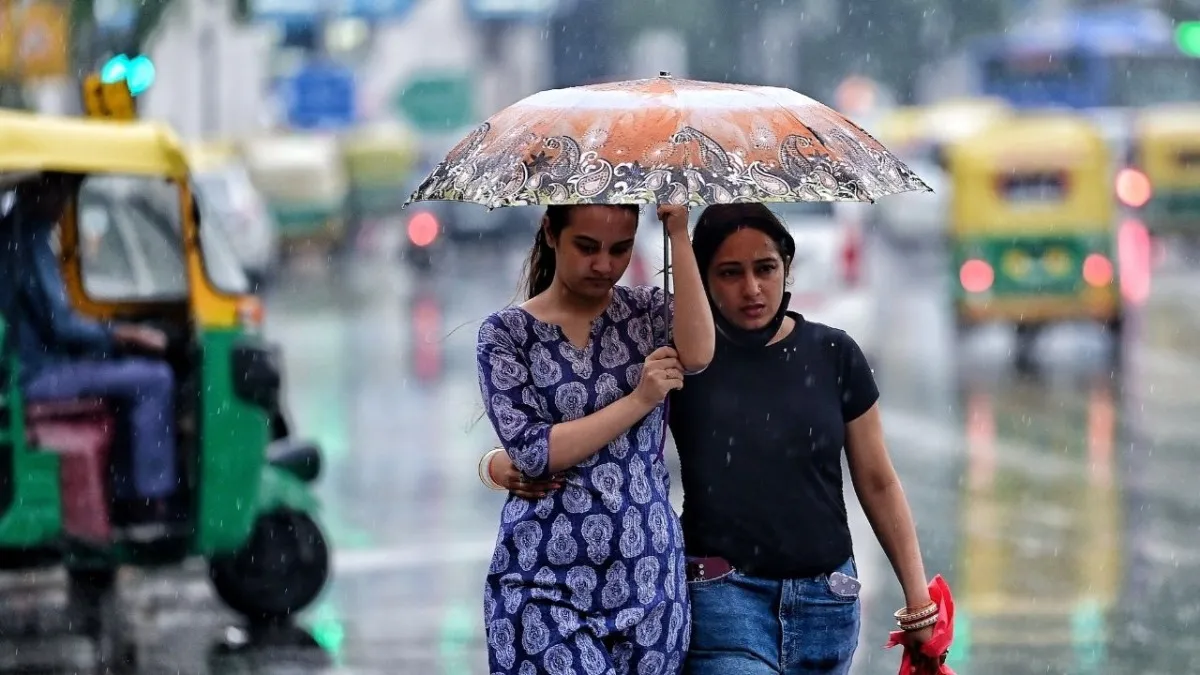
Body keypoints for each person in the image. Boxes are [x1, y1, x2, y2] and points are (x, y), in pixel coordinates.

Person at [485, 203, 938, 675]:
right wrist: (499, 464)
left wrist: (918, 601)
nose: (752, 288)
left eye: (765, 268)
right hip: (722, 597)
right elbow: (584, 424)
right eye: (729, 273)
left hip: (827, 603)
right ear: (701, 278)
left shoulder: (833, 352)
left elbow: (878, 481)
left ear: (787, 267)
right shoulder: (677, 357)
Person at [475, 203, 714, 675]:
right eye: (586, 247)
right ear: (550, 233)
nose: (604, 264)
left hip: (649, 577)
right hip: (544, 582)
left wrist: (678, 234)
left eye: (620, 249)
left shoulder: (648, 312)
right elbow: (535, 451)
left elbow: (700, 353)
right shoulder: (506, 334)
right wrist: (640, 399)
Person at [3, 172, 179, 528]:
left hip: (24, 367)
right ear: (41, 191)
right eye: (63, 193)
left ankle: (128, 491)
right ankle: (146, 504)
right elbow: (62, 324)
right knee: (155, 379)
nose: (64, 205)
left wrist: (110, 335)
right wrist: (122, 335)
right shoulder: (29, 238)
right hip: (35, 375)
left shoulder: (11, 234)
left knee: (124, 371)